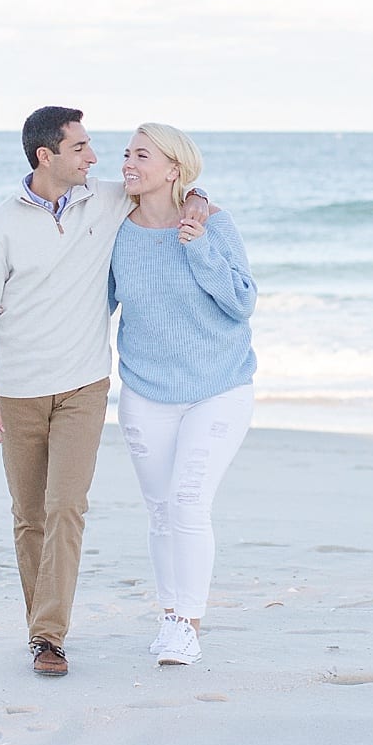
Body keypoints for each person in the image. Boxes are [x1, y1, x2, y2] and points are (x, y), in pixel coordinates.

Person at [0, 106, 214, 678]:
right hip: (17, 392)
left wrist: (197, 205)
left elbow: (175, 187)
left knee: (66, 508)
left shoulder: (103, 198)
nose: (95, 157)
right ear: (46, 156)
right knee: (29, 517)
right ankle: (40, 630)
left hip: (83, 387)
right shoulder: (1, 225)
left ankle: (49, 635)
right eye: (81, 148)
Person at [108, 122, 258, 667]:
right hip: (146, 391)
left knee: (189, 502)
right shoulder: (116, 230)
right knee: (161, 511)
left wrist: (198, 250)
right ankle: (170, 616)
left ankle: (187, 624)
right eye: (126, 154)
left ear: (174, 168)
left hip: (218, 387)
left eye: (140, 155)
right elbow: (94, 303)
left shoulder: (213, 224)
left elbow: (242, 303)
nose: (128, 163)